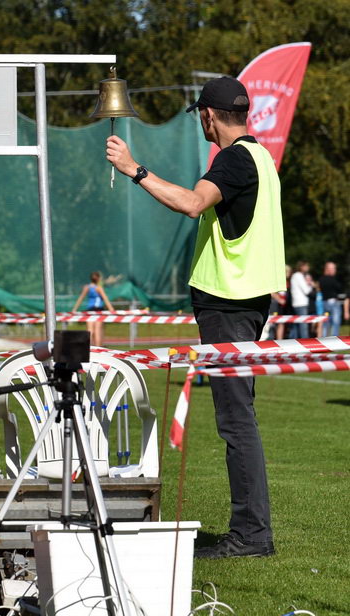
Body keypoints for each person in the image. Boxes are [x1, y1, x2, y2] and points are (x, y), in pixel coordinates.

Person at [106, 76, 284, 559]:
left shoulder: (233, 159)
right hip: (244, 303)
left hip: (229, 305)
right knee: (239, 418)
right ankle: (253, 532)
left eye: (199, 117)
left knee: (236, 421)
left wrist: (134, 170)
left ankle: (251, 536)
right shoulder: (262, 157)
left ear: (208, 115)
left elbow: (190, 203)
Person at [71, 271, 114, 347]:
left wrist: (74, 309)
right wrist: (112, 310)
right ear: (98, 279)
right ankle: (98, 348)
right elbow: (105, 299)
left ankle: (89, 349)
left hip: (90, 310)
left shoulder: (87, 287)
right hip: (98, 310)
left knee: (90, 331)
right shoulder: (99, 288)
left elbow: (80, 298)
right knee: (98, 331)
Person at [318, 261, 348, 337]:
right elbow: (340, 288)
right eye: (333, 268)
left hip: (325, 303)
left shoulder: (321, 279)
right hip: (334, 303)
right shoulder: (333, 280)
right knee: (335, 322)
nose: (335, 270)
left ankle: (325, 340)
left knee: (326, 323)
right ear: (328, 269)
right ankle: (335, 340)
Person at [288, 261, 313, 339]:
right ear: (301, 267)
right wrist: (310, 284)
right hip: (301, 304)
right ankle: (305, 345)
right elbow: (306, 291)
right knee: (303, 327)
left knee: (296, 327)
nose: (308, 268)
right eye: (306, 266)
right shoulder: (299, 276)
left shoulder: (295, 276)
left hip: (297, 303)